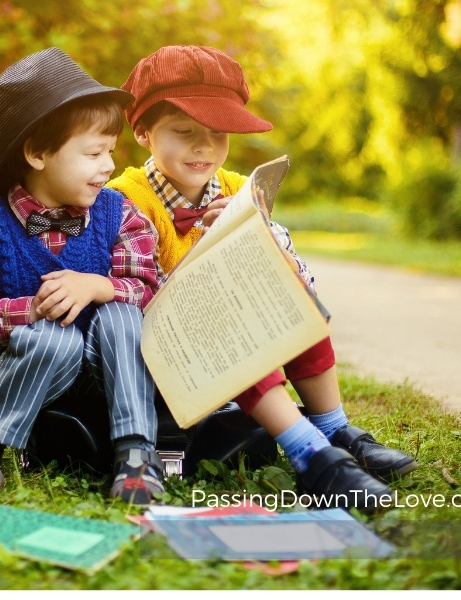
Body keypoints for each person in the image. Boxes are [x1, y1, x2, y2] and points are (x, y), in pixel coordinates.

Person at [108, 45, 417, 514]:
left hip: (221, 344)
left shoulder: (237, 189)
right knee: (229, 321)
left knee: (292, 295)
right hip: (157, 353)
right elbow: (132, 298)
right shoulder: (124, 200)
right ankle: (310, 455)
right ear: (144, 132)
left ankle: (334, 427)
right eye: (183, 132)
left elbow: (291, 268)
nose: (203, 147)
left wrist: (258, 241)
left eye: (217, 133)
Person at [0, 48, 165, 505]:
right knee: (53, 336)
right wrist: (32, 311)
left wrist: (99, 286)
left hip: (112, 369)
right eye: (93, 152)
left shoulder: (119, 214)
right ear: (38, 153)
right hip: (38, 373)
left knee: (122, 316)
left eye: (110, 151)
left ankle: (137, 455)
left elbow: (147, 288)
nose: (108, 165)